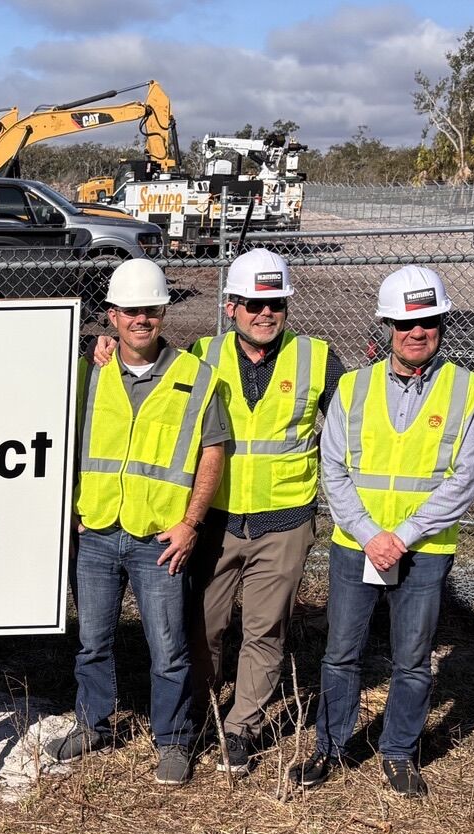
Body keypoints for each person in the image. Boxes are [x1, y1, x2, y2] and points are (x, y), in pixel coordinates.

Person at [293, 266, 474, 798]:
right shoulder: (353, 388)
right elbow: (332, 466)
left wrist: (401, 535)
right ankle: (329, 748)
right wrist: (367, 534)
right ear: (387, 327)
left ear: (442, 322)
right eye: (405, 323)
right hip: (356, 547)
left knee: (412, 659)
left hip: (423, 552)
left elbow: (467, 478)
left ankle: (399, 752)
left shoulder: (467, 392)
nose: (416, 332)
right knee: (341, 653)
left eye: (427, 321)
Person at [50, 258, 232, 784]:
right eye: (129, 312)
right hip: (100, 530)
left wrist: (191, 523)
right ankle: (94, 723)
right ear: (111, 316)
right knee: (94, 641)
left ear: (163, 313)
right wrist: (74, 509)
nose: (140, 320)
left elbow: (212, 453)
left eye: (149, 311)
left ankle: (173, 740)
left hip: (159, 537)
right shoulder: (91, 373)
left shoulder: (195, 378)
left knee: (169, 647)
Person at [182, 250, 343, 775]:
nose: (265, 313)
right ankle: (201, 711)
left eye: (274, 303)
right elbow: (150, 382)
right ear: (231, 307)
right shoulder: (201, 354)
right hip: (215, 522)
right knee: (202, 624)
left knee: (264, 628)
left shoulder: (317, 358)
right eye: (254, 303)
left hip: (285, 522)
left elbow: (358, 419)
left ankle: (241, 726)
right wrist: (107, 350)